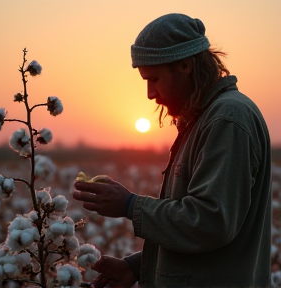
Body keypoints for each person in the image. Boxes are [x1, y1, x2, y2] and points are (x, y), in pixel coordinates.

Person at [73, 13, 272, 288]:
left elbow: (210, 223)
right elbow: (204, 238)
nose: (149, 93)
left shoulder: (227, 120)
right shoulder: (205, 119)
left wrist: (130, 205)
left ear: (186, 66)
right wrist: (137, 267)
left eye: (154, 79)